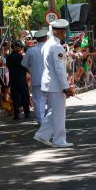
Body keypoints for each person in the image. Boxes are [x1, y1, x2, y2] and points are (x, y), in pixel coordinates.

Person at [33, 19, 75, 148]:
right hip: (56, 84)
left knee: (54, 111)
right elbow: (59, 69)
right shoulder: (57, 47)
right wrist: (65, 87)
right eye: (64, 32)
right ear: (62, 32)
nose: (65, 34)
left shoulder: (47, 44)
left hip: (49, 82)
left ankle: (42, 135)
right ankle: (59, 140)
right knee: (59, 113)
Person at [22, 29, 48, 123]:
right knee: (51, 100)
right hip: (50, 78)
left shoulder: (31, 50)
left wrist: (31, 68)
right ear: (46, 38)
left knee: (38, 99)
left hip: (36, 78)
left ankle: (41, 120)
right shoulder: (51, 49)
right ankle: (51, 120)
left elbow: (24, 64)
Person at [6, 41, 30, 120]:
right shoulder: (21, 57)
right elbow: (25, 67)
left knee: (15, 97)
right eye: (20, 47)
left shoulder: (9, 57)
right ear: (15, 47)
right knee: (24, 96)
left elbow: (8, 66)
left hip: (13, 79)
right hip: (21, 79)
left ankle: (16, 114)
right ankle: (27, 113)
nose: (21, 48)